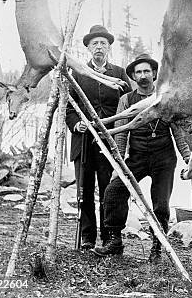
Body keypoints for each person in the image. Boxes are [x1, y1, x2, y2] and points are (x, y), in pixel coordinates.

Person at [93, 53, 190, 261]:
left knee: (161, 205)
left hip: (164, 159)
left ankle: (157, 247)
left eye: (147, 71)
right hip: (136, 157)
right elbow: (121, 133)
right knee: (113, 192)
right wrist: (118, 164)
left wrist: (189, 158)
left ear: (154, 74)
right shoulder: (126, 100)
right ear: (133, 77)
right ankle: (114, 241)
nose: (143, 75)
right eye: (139, 72)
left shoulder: (167, 98)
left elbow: (179, 133)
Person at [66, 25, 131, 250]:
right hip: (83, 142)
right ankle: (87, 238)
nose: (99, 47)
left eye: (103, 43)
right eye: (95, 43)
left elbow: (130, 105)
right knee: (84, 190)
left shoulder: (119, 74)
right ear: (88, 48)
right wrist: (77, 124)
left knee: (109, 190)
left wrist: (121, 132)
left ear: (109, 48)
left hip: (109, 141)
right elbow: (68, 109)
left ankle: (109, 237)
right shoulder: (78, 73)